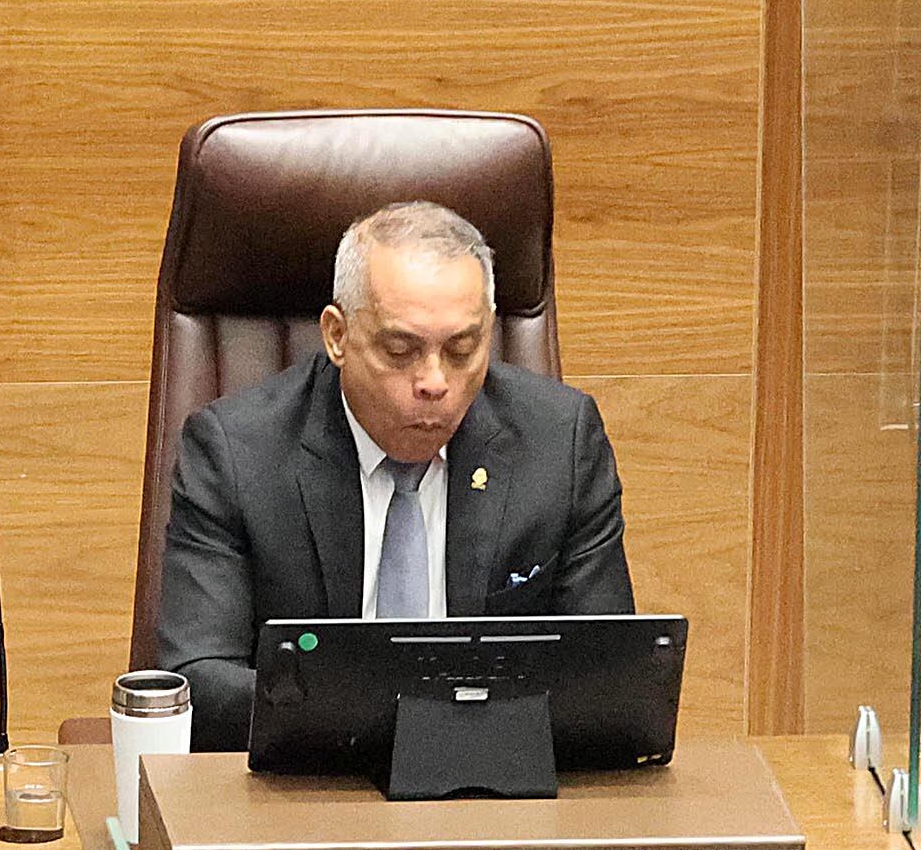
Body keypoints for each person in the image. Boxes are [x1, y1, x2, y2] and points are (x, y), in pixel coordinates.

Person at [156, 199, 636, 752]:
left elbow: (606, 676)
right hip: (307, 793)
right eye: (402, 349)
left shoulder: (561, 444)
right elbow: (199, 679)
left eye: (462, 349)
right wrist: (391, 717)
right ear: (336, 335)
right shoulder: (237, 452)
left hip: (501, 794)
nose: (434, 381)